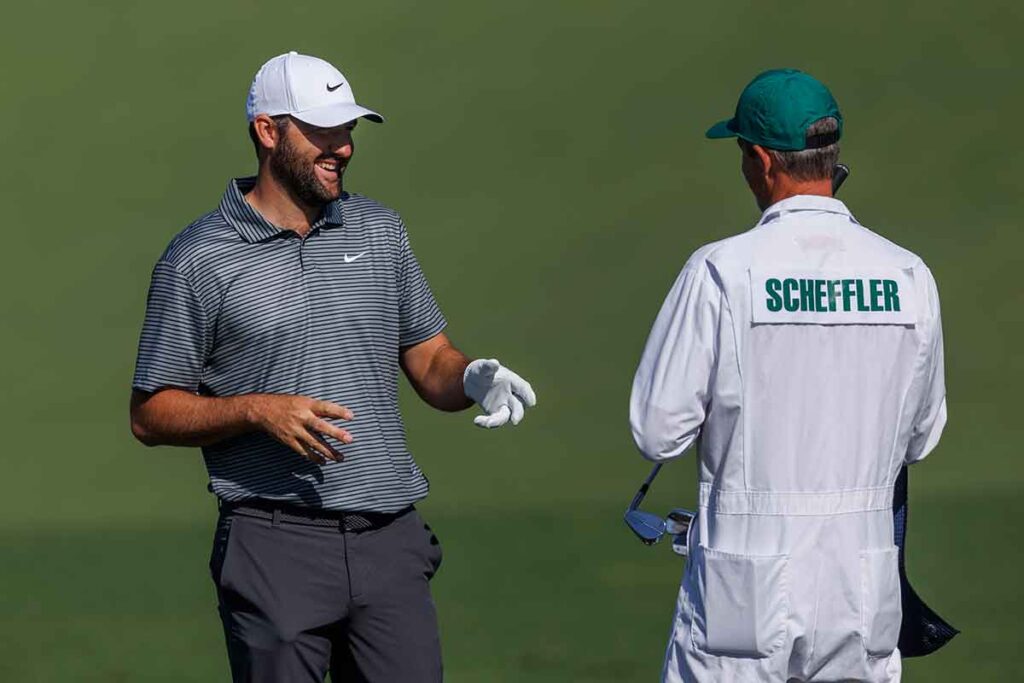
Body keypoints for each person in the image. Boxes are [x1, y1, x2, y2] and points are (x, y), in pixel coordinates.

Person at [129, 51, 536, 683]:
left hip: (389, 539)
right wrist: (255, 410)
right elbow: (151, 413)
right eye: (322, 132)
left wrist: (473, 377)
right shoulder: (197, 259)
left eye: (347, 131)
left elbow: (428, 356)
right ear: (269, 131)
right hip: (273, 542)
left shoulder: (380, 231)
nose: (342, 148)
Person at [629, 69, 946, 682]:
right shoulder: (908, 275)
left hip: (743, 591)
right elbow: (922, 437)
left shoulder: (722, 272)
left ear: (762, 160)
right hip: (862, 584)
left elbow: (656, 430)